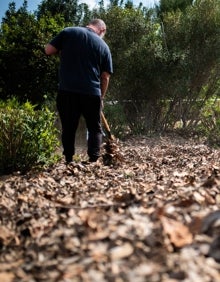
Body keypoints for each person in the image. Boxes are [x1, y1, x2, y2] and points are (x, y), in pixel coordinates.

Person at [45, 19, 113, 163]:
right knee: (94, 127)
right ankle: (93, 159)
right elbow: (105, 77)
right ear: (102, 30)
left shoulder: (69, 32)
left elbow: (48, 50)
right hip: (92, 92)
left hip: (67, 90)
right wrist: (101, 98)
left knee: (69, 126)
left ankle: (69, 159)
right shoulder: (104, 46)